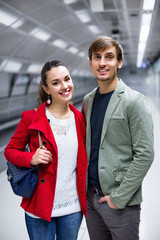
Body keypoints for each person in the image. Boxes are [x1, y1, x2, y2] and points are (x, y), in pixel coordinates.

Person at [4, 60, 88, 240]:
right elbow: (10, 151)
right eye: (56, 83)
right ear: (46, 88)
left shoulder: (81, 119)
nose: (64, 86)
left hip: (72, 208)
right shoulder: (31, 118)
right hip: (40, 207)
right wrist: (31, 158)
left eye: (67, 79)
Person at [82, 36, 154, 240]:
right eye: (97, 57)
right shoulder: (88, 100)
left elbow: (145, 154)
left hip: (119, 202)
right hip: (91, 198)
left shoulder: (134, 101)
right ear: (90, 63)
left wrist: (119, 198)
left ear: (119, 62)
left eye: (109, 57)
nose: (102, 63)